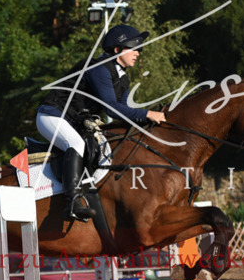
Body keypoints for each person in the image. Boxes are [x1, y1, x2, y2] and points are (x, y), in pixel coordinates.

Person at [35, 24, 166, 221]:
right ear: (117, 50)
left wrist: (146, 120)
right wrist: (147, 113)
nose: (139, 52)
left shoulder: (123, 80)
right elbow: (111, 108)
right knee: (76, 144)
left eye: (140, 48)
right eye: (134, 48)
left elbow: (121, 114)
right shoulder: (98, 69)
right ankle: (71, 203)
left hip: (73, 122)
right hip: (52, 116)